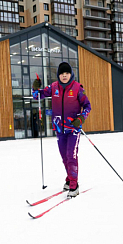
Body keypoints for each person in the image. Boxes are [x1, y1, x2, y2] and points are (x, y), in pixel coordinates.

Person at [32, 61, 91, 197]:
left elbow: (87, 106)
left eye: (67, 73)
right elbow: (37, 96)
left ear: (71, 74)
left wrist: (81, 118)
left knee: (71, 155)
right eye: (62, 74)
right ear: (58, 75)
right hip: (59, 128)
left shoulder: (77, 88)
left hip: (73, 129)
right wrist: (36, 88)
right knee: (64, 157)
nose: (64, 76)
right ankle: (70, 178)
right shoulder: (53, 87)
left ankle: (74, 185)